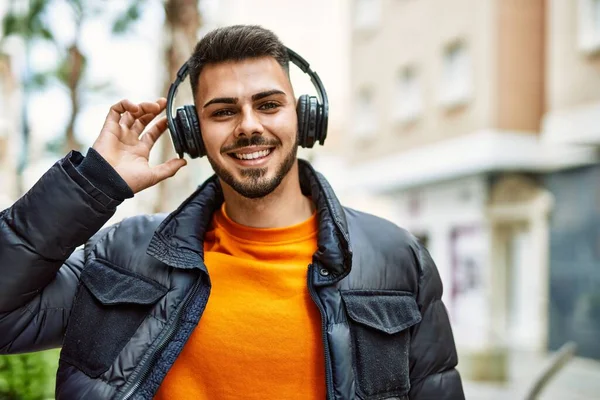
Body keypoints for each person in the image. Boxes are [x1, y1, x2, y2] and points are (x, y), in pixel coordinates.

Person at [0, 25, 464, 400]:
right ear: (193, 133)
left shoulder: (397, 260)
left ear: (305, 116)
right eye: (223, 112)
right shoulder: (123, 254)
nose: (249, 126)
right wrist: (94, 184)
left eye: (268, 104)